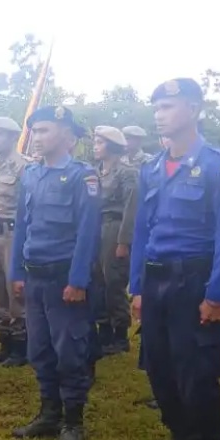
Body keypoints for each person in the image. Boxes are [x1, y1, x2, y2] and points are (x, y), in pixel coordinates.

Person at [130, 78, 220, 440]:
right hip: (156, 280)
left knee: (195, 372)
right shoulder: (152, 168)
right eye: (157, 106)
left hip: (194, 281)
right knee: (160, 368)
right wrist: (137, 287)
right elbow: (142, 231)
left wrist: (217, 294)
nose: (159, 114)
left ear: (194, 109)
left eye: (169, 106)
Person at [9, 105, 101, 440]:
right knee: (39, 349)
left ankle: (73, 420)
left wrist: (78, 281)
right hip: (35, 276)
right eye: (35, 130)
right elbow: (23, 226)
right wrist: (17, 271)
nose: (37, 137)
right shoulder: (31, 174)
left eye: (44, 130)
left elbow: (88, 232)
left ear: (67, 137)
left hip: (64, 278)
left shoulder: (82, 176)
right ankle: (49, 413)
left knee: (70, 351)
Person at [0, 117, 31, 366]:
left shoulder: (24, 167)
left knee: (16, 293)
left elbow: (29, 206)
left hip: (13, 234)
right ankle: (5, 342)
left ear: (13, 137)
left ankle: (21, 347)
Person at [90, 126, 139, 356]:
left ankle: (120, 334)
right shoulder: (95, 172)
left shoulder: (126, 172)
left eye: (99, 143)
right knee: (97, 281)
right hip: (97, 226)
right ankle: (104, 329)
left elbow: (131, 208)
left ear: (111, 146)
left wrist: (124, 241)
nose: (95, 147)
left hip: (114, 227)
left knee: (114, 281)